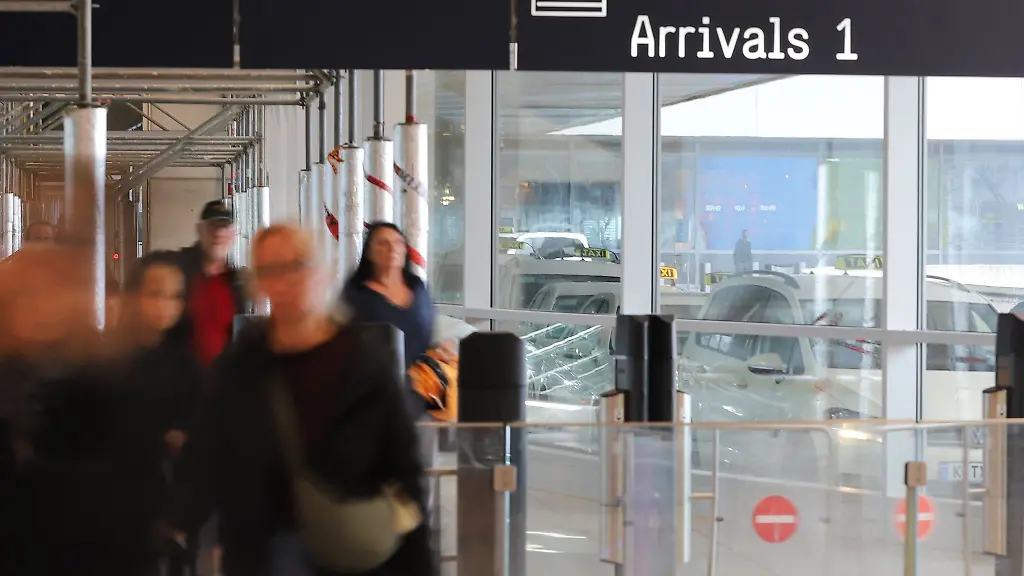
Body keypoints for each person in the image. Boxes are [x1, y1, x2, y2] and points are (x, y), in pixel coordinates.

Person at [168, 224, 434, 576]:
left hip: (346, 541)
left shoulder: (362, 360)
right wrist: (180, 521)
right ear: (258, 283)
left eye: (298, 265)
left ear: (320, 273)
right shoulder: (242, 365)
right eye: (270, 271)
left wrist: (417, 558)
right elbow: (207, 449)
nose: (286, 281)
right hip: (265, 546)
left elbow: (402, 461)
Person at [0, 244, 156, 576]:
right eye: (23, 294)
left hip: (92, 553)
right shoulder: (8, 381)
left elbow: (137, 487)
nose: (37, 305)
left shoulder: (106, 382)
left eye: (49, 292)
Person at [120, 252, 205, 576]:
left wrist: (182, 518)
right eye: (155, 294)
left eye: (175, 296)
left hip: (175, 511)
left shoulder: (188, 366)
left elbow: (200, 450)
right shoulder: (113, 361)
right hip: (123, 512)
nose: (164, 306)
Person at [174, 199, 246, 575]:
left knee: (220, 501)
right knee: (182, 502)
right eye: (213, 225)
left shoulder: (236, 283)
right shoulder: (179, 273)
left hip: (220, 407)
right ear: (201, 230)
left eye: (225, 226)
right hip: (183, 403)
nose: (219, 232)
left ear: (232, 234)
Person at [340, 222, 436, 417]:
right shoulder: (357, 295)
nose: (392, 249)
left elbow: (427, 335)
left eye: (398, 243)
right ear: (369, 251)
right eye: (383, 243)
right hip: (375, 394)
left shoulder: (418, 288)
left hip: (421, 388)